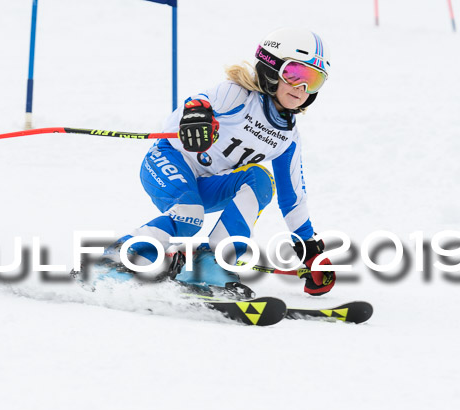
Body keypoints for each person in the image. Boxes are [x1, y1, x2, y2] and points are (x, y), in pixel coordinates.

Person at [92, 27, 336, 298]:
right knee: (190, 213)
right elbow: (186, 112)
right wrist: (197, 116)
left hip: (207, 185)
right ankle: (113, 259)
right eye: (295, 75)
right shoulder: (237, 95)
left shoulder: (287, 139)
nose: (301, 89)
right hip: (166, 161)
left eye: (313, 82)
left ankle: (212, 262)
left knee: (260, 179)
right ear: (271, 67)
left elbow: (293, 199)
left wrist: (309, 249)